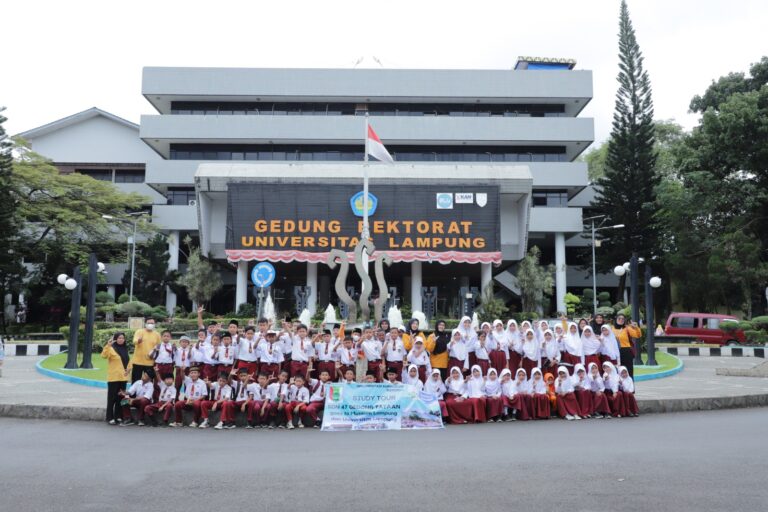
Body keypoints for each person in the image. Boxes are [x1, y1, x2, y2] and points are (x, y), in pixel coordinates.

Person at [102, 332, 130, 425]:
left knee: (121, 398)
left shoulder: (125, 349)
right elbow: (103, 356)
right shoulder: (111, 348)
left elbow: (128, 362)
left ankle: (118, 416)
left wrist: (128, 370)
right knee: (112, 398)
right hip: (113, 378)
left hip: (123, 377)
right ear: (115, 339)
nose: (121, 339)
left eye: (122, 338)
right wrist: (108, 346)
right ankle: (109, 417)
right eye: (119, 338)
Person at [130, 318, 160, 382]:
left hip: (150, 362)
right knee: (136, 381)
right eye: (148, 323)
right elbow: (134, 341)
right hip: (137, 362)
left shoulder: (157, 334)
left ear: (154, 324)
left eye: (152, 323)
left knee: (149, 381)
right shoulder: (139, 331)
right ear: (145, 324)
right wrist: (138, 341)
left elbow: (158, 346)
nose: (150, 324)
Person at [612, 313, 642, 378]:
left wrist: (636, 327)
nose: (621, 320)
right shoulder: (612, 329)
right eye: (619, 318)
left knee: (628, 370)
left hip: (626, 351)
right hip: (615, 351)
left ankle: (630, 383)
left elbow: (638, 335)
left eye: (623, 319)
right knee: (617, 370)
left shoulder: (627, 328)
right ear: (616, 319)